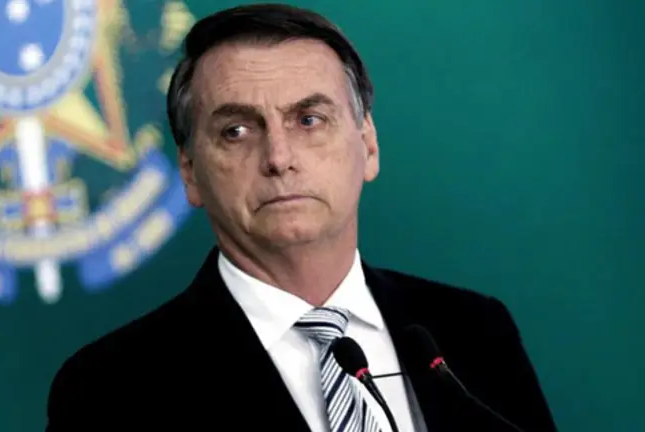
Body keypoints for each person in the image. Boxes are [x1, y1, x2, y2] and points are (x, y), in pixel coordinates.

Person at [45, 4, 558, 431]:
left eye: (309, 120)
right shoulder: (108, 389)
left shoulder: (475, 330)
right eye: (236, 131)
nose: (279, 157)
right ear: (190, 172)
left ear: (369, 145)